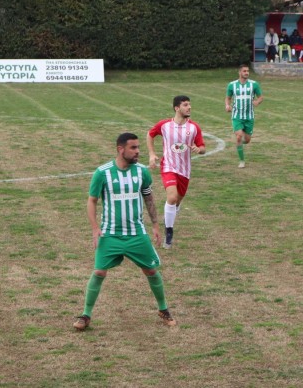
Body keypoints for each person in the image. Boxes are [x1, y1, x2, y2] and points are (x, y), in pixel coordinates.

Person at [73, 132, 176, 331]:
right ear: (121, 149)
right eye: (134, 148)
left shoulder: (141, 172)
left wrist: (155, 224)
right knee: (99, 271)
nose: (138, 151)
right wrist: (95, 229)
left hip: (136, 234)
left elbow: (148, 198)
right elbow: (92, 201)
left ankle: (163, 309)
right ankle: (86, 315)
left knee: (151, 270)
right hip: (110, 233)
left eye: (138, 147)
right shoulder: (102, 173)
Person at [147, 95, 206, 249]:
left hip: (185, 171)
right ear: (177, 108)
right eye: (185, 105)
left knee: (177, 201)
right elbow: (150, 134)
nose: (189, 107)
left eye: (190, 105)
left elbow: (203, 148)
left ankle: (170, 217)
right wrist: (152, 154)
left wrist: (198, 149)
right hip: (168, 167)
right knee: (171, 197)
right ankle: (169, 231)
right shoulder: (164, 125)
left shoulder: (194, 128)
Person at [226, 64, 263, 169]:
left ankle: (239, 145)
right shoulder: (232, 85)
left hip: (249, 117)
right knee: (239, 136)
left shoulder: (254, 84)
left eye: (247, 71)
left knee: (247, 140)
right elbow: (228, 98)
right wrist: (227, 105)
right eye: (244, 71)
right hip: (237, 115)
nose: (246, 73)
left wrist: (257, 102)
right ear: (240, 72)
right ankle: (242, 161)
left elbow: (261, 97)